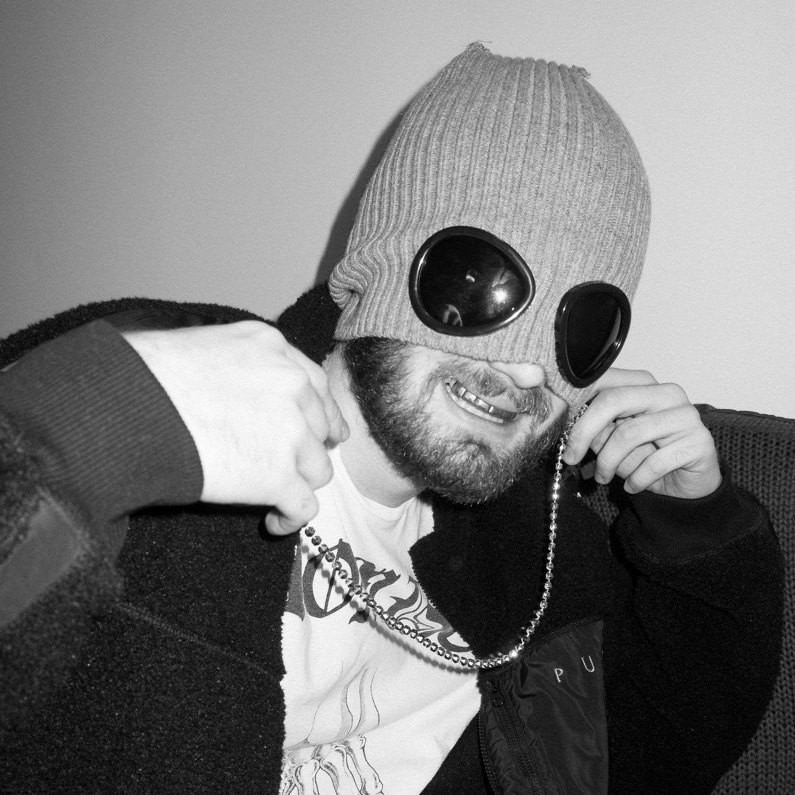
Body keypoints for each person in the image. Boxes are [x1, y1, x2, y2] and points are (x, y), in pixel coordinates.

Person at [0, 43, 783, 794]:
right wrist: (101, 423)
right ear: (381, 264)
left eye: (574, 330)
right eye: (480, 287)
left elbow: (648, 746)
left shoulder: (532, 542)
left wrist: (694, 523)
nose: (523, 371)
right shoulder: (168, 407)